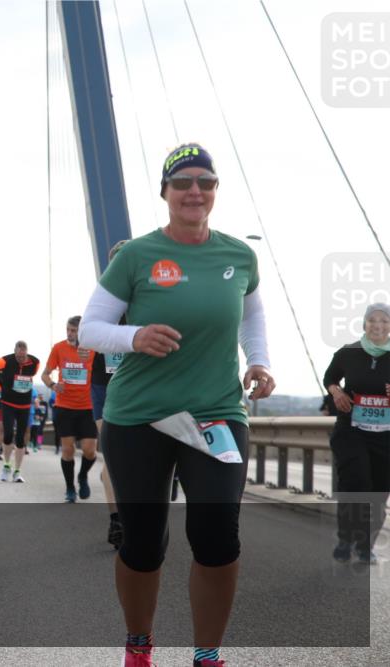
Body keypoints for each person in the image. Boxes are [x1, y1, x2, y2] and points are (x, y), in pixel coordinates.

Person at [79, 143, 274, 667]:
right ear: (165, 192)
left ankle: (207, 654)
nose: (195, 191)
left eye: (205, 183)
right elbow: (92, 329)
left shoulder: (239, 255)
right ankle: (139, 644)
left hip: (217, 412)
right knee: (144, 544)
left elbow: (251, 316)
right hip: (139, 417)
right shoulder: (136, 256)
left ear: (214, 191)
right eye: (183, 182)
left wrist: (258, 361)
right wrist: (135, 335)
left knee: (217, 537)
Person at [323, 302, 390, 564]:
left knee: (379, 492)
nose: (378, 325)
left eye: (384, 321)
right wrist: (336, 391)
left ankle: (365, 546)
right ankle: (344, 539)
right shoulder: (348, 352)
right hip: (352, 432)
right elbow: (330, 377)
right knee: (355, 483)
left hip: (386, 437)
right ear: (364, 324)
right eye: (373, 320)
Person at [93, 239, 130, 546]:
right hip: (104, 386)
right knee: (114, 457)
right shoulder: (103, 298)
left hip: (145, 386)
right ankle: (116, 520)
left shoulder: (156, 298)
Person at [42, 316, 98, 503]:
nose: (70, 333)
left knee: (90, 452)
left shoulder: (93, 350)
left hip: (88, 407)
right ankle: (69, 488)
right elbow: (45, 374)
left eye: (74, 330)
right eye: (68, 329)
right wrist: (52, 385)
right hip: (64, 407)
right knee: (68, 450)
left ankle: (82, 476)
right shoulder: (59, 348)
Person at [0, 342, 40, 483]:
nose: (20, 359)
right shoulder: (7, 360)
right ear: (14, 352)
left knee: (21, 438)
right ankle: (6, 466)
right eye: (18, 356)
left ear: (27, 353)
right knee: (8, 434)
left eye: (23, 356)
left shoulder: (35, 362)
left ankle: (17, 471)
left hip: (24, 405)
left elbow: (34, 371)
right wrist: (0, 386)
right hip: (8, 404)